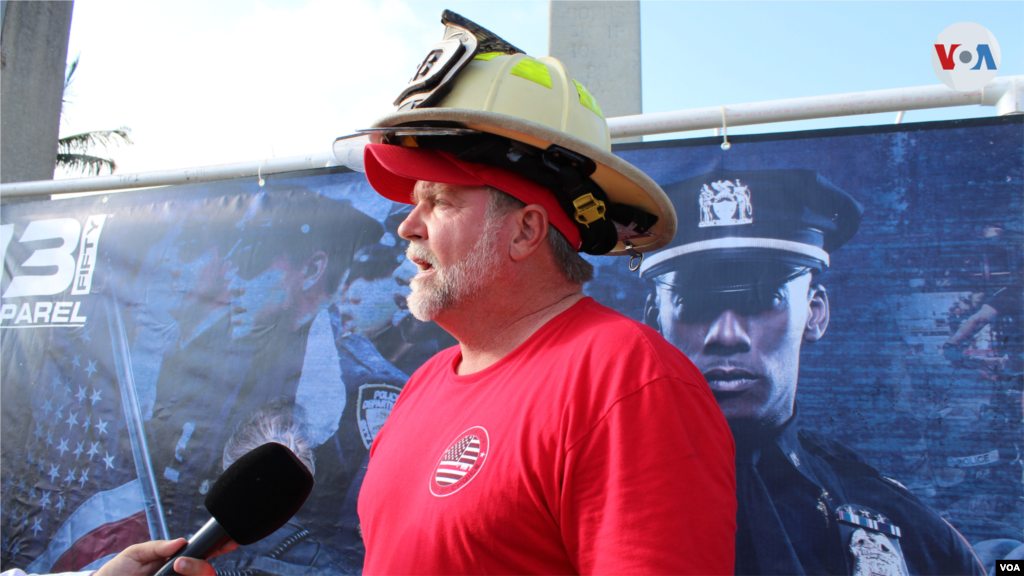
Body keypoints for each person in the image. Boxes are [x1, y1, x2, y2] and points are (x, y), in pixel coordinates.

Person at [351, 11, 735, 575]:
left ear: (526, 231)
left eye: (440, 201)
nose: (408, 226)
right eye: (415, 202)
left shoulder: (629, 383)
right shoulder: (424, 385)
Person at [639, 167, 987, 575]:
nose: (727, 335)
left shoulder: (906, 527)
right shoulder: (578, 504)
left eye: (764, 298)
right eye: (692, 303)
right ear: (652, 323)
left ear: (815, 314)